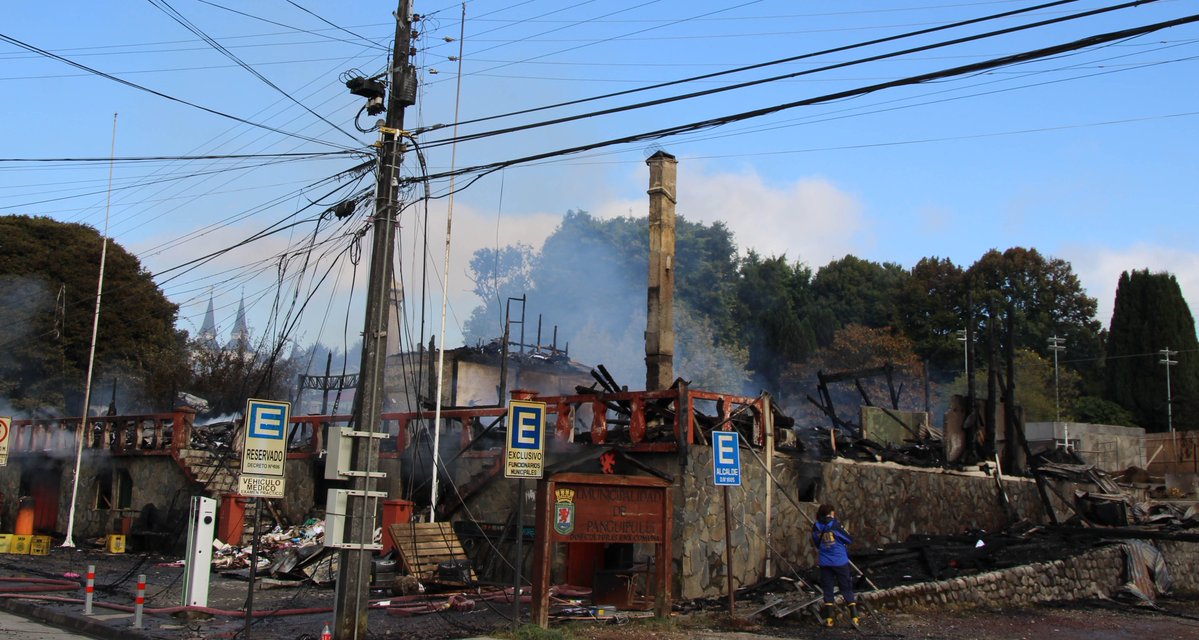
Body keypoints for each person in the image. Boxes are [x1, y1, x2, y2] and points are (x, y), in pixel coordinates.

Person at [811, 503, 858, 627]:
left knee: (828, 589)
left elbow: (816, 543)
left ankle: (829, 619)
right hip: (839, 561)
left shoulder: (816, 526)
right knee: (846, 587)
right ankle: (854, 617)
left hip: (825, 562)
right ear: (831, 513)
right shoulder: (835, 525)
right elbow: (849, 539)